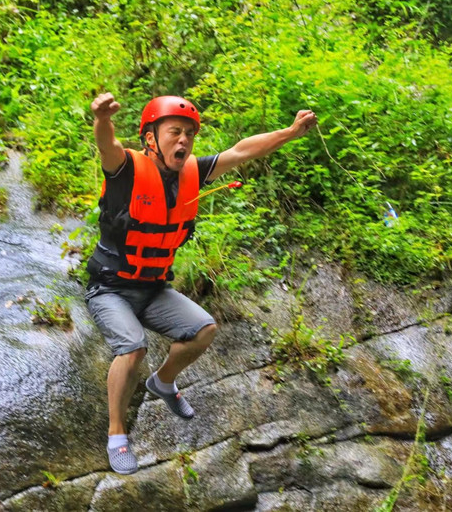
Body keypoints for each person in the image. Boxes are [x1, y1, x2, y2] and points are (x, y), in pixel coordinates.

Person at [87, 92, 317, 474]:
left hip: (153, 288)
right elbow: (106, 145)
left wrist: (291, 132)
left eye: (189, 134)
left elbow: (243, 151)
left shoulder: (193, 172)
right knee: (133, 349)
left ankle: (163, 383)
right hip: (110, 288)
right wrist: (101, 119)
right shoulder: (125, 168)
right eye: (174, 132)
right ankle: (117, 434)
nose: (184, 140)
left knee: (204, 330)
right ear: (150, 138)